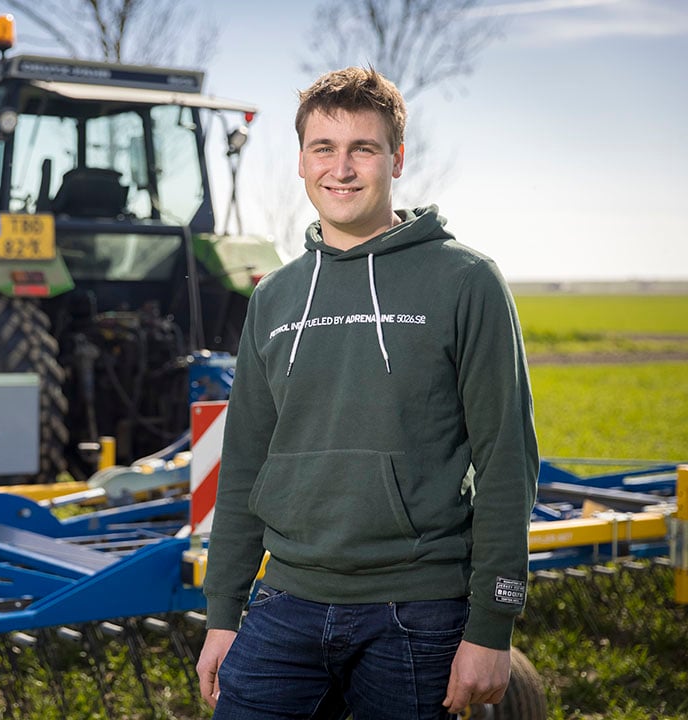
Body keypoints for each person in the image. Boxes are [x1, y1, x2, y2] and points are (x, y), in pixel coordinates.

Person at [195, 66, 539, 720]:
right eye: (324, 148)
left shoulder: (466, 282)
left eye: (364, 148)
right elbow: (243, 464)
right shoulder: (274, 298)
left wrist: (492, 626)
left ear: (396, 159)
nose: (342, 168)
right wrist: (222, 614)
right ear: (301, 161)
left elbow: (505, 464)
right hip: (286, 602)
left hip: (417, 610)